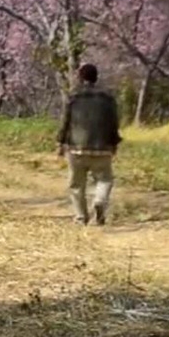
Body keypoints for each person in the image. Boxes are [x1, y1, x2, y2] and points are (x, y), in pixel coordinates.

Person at [56, 64, 122, 226]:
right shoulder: (108, 98)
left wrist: (60, 142)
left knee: (76, 185)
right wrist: (114, 142)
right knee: (105, 180)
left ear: (80, 77)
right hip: (102, 147)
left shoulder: (74, 96)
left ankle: (80, 217)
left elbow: (66, 121)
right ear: (96, 77)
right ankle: (99, 201)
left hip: (76, 148)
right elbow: (114, 122)